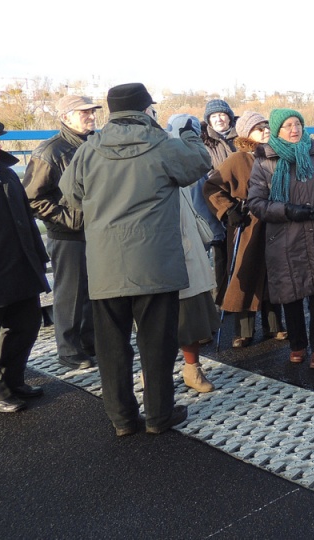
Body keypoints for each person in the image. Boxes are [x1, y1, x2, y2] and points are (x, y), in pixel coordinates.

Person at [59, 83, 213, 436]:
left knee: (112, 348)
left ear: (111, 112)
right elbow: (198, 164)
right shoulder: (161, 144)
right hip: (155, 264)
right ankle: (159, 417)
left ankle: (122, 419)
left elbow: (70, 193)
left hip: (105, 266)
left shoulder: (89, 149)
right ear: (146, 110)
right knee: (156, 344)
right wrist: (190, 135)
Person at [247, 109, 314, 369]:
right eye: (287, 126)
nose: (294, 129)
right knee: (291, 293)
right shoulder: (264, 161)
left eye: (298, 124)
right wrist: (285, 210)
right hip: (285, 236)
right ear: (276, 131)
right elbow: (256, 202)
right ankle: (297, 344)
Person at [22, 95, 101, 370]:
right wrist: (70, 219)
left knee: (94, 290)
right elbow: (32, 198)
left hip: (95, 230)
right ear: (66, 117)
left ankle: (90, 343)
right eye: (84, 113)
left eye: (92, 111)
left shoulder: (94, 143)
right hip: (68, 233)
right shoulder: (50, 151)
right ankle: (68, 350)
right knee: (71, 293)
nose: (91, 116)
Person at [0, 118, 51, 413]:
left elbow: (27, 219)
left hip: (19, 267)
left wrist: (38, 256)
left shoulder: (6, 174)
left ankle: (13, 379)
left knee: (27, 325)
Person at [204, 111, 287, 348]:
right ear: (247, 133)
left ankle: (275, 326)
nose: (266, 131)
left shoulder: (277, 155)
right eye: (259, 128)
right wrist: (228, 210)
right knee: (244, 273)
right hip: (246, 223)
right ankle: (243, 330)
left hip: (274, 222)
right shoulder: (238, 159)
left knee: (273, 274)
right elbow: (212, 188)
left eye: (267, 127)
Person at [165, 114, 220, 393]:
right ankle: (157, 373)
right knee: (157, 320)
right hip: (158, 248)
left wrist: (187, 140)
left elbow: (197, 167)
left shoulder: (170, 154)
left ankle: (191, 369)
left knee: (191, 315)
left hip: (186, 241)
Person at [200, 99, 238, 308]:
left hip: (242, 199)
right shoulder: (205, 142)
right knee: (220, 253)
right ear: (208, 121)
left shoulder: (241, 137)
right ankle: (222, 299)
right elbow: (206, 173)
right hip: (218, 201)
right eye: (213, 116)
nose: (219, 119)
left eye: (222, 115)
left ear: (229, 116)